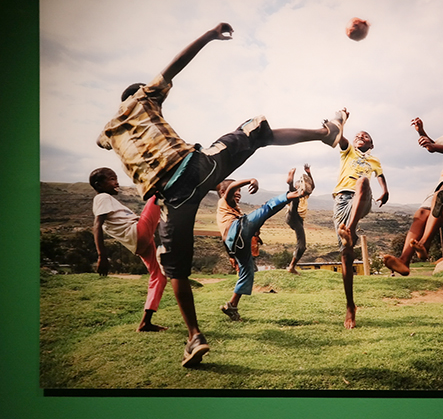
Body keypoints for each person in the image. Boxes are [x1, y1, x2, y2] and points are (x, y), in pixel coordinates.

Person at [96, 22, 347, 367]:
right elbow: (175, 65)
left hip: (169, 199)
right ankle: (325, 133)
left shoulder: (108, 130)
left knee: (176, 273)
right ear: (140, 93)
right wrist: (210, 35)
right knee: (256, 131)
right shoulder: (144, 96)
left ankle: (194, 336)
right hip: (194, 168)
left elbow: (104, 139)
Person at [383, 113, 443, 275]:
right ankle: (404, 261)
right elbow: (432, 145)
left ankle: (424, 243)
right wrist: (421, 132)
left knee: (442, 193)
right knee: (420, 213)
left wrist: (434, 148)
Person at [216, 177, 307, 321]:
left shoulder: (230, 210)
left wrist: (231, 255)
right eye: (237, 191)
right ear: (223, 192)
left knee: (247, 272)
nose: (239, 193)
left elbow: (224, 238)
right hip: (237, 230)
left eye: (240, 191)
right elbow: (231, 188)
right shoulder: (225, 200)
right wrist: (251, 180)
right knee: (268, 207)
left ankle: (232, 305)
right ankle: (296, 194)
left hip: (234, 242)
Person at [89, 167, 167, 333]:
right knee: (157, 192)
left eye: (116, 178)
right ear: (99, 184)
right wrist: (102, 255)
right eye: (111, 179)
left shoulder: (108, 199)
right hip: (138, 234)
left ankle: (145, 323)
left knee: (159, 275)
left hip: (138, 244)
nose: (116, 182)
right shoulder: (102, 197)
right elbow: (97, 225)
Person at [332, 123, 392, 329]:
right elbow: (340, 138)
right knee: (346, 257)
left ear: (371, 144)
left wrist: (385, 190)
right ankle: (350, 305)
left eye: (365, 136)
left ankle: (350, 229)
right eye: (358, 135)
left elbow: (381, 177)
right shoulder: (348, 151)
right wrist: (341, 122)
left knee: (363, 181)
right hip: (342, 201)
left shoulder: (374, 160)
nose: (361, 136)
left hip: (362, 199)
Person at [285, 165, 315, 274]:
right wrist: (291, 184)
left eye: (302, 187)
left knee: (302, 246)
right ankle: (289, 182)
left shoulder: (306, 195)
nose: (302, 189)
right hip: (292, 216)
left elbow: (312, 187)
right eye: (300, 187)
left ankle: (292, 267)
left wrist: (309, 173)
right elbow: (294, 192)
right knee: (294, 198)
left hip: (299, 220)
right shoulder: (293, 193)